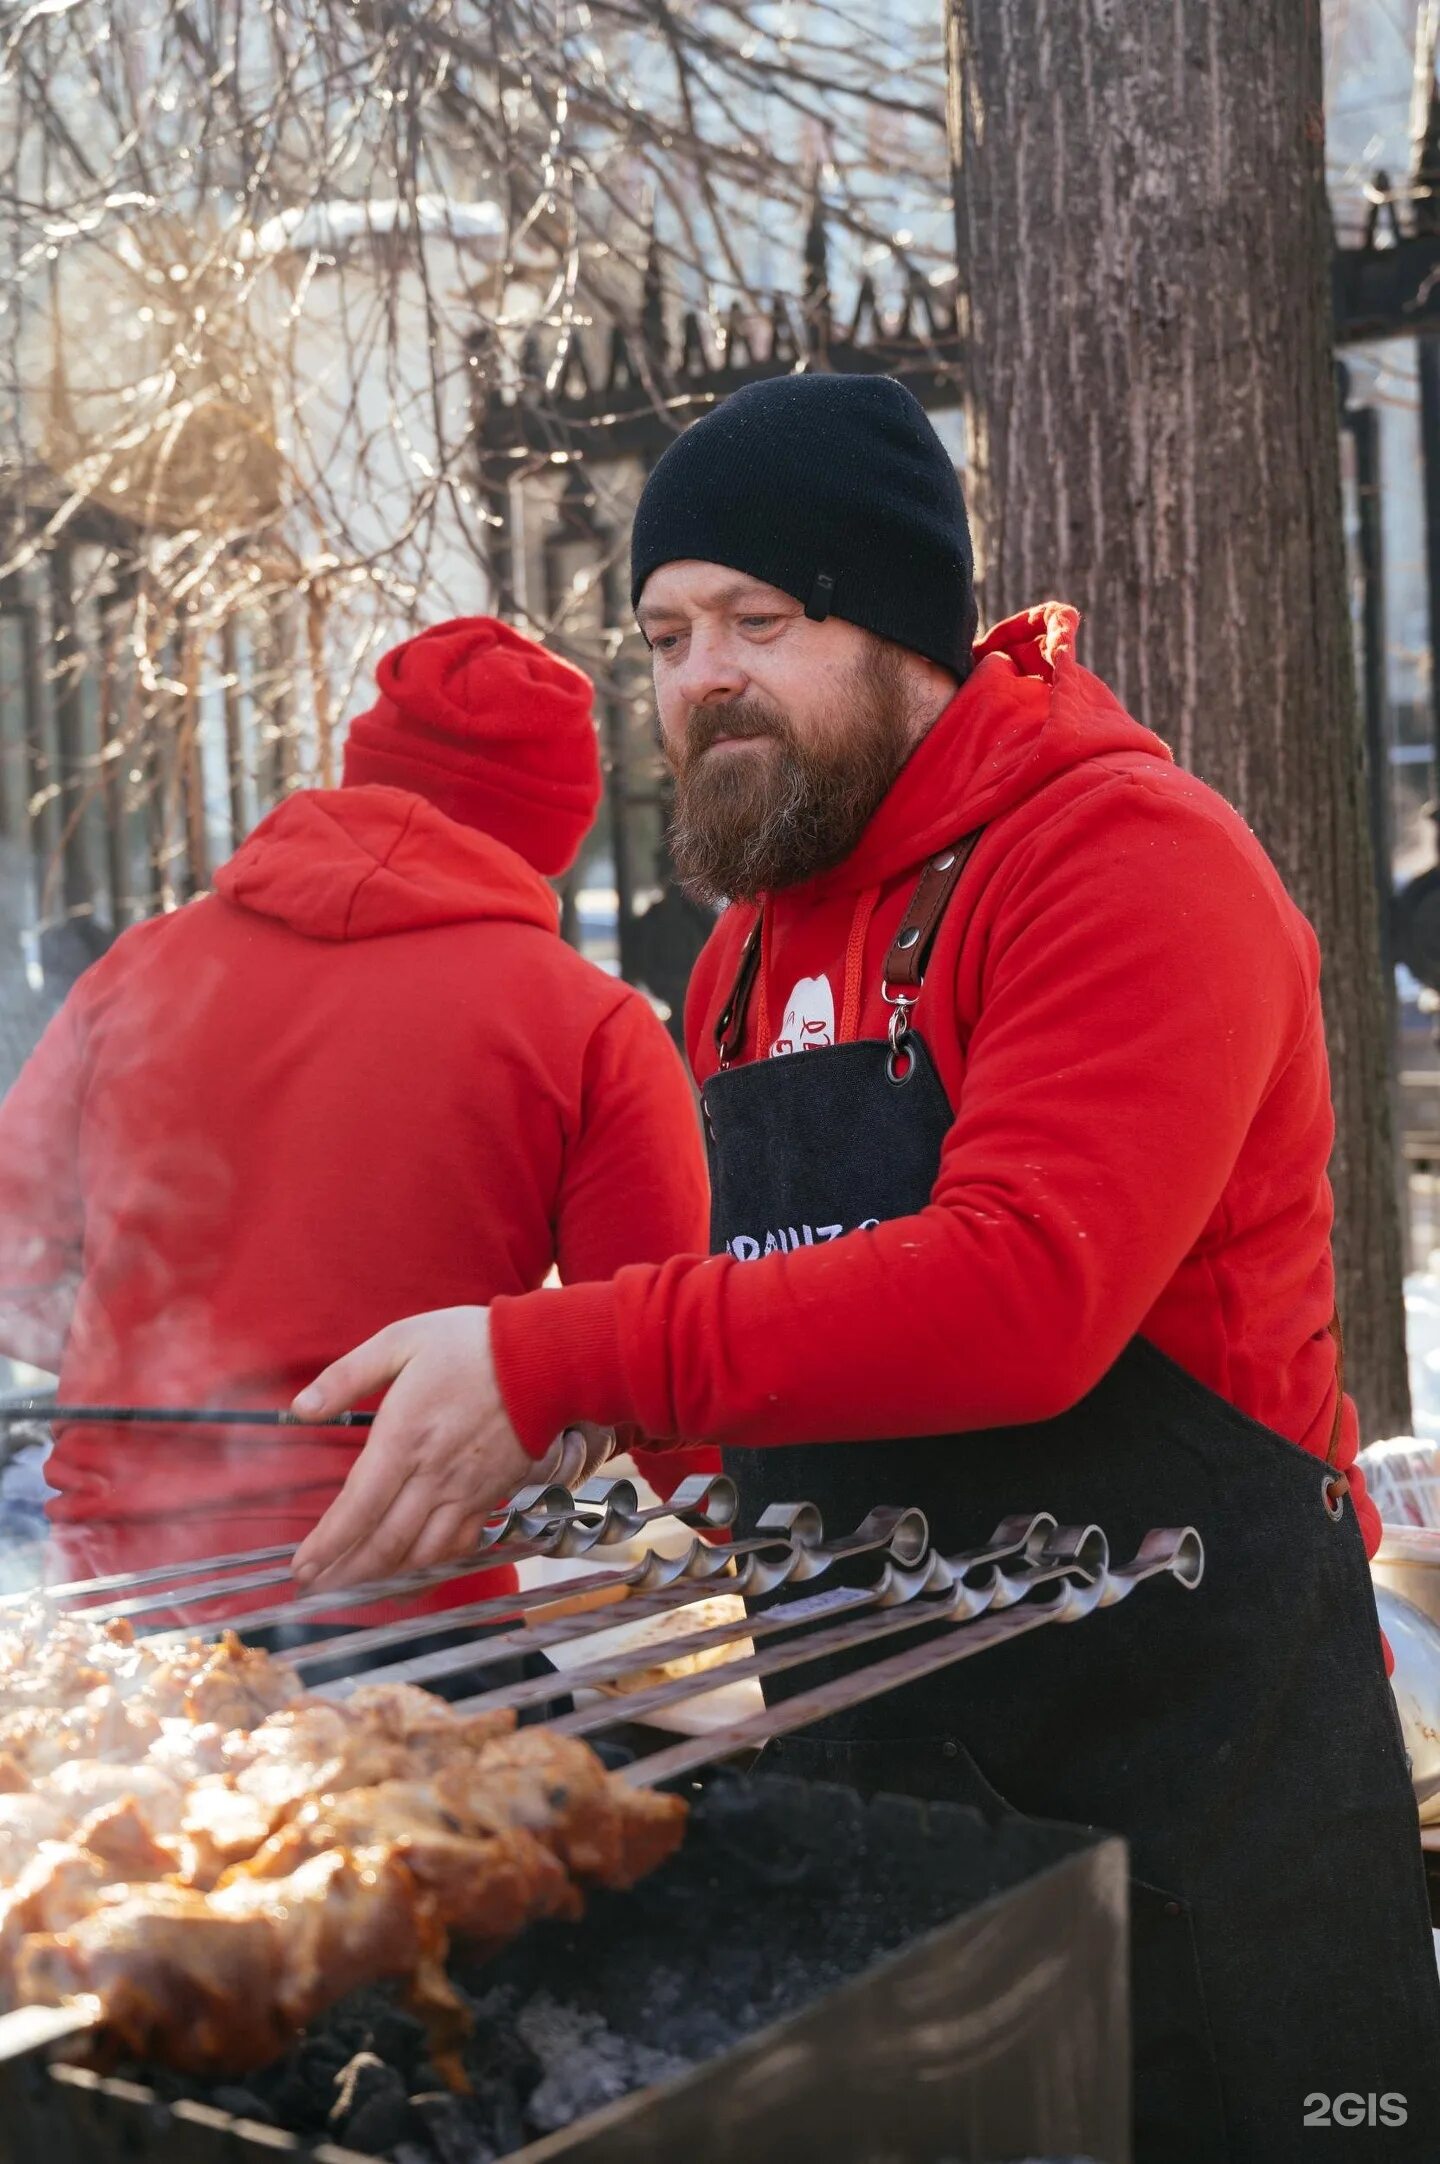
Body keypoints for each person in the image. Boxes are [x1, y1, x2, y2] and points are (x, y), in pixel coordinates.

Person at [290, 376, 1440, 2159]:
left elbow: (1022, 1291)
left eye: (762, 618)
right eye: (667, 635)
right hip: (889, 1811)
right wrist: (603, 1467)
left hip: (1203, 1809)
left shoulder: (1123, 859)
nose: (704, 677)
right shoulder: (744, 952)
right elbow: (793, 1329)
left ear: (904, 629)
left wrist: (560, 1354)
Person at [0, 614, 709, 1619]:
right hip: (407, 1616)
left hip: (114, 1599)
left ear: (361, 774)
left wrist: (176, 1371)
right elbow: (664, 1376)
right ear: (552, 835)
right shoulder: (586, 1023)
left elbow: (14, 1274)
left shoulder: (137, 970)